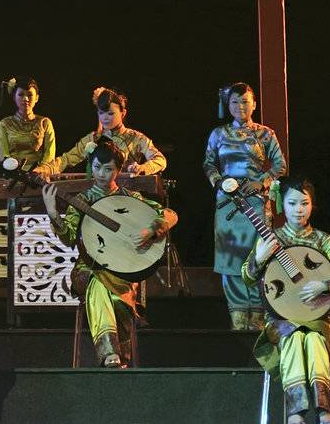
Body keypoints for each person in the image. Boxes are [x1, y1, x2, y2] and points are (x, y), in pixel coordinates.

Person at [42, 139, 176, 368]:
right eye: (96, 167)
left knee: (109, 291)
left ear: (118, 170)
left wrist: (151, 229)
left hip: (124, 270)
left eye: (108, 169)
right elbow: (69, 237)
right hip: (88, 268)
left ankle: (113, 356)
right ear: (90, 167)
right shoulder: (82, 201)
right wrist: (53, 213)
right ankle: (112, 354)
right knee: (97, 282)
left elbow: (170, 214)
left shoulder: (130, 198)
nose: (101, 174)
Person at [244, 175, 330, 424]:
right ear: (282, 204)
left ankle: (324, 411)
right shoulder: (270, 239)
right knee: (294, 337)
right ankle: (296, 413)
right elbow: (248, 278)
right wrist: (259, 258)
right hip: (280, 320)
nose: (298, 209)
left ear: (312, 205)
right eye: (292, 203)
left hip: (317, 317)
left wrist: (325, 285)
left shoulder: (325, 241)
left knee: (314, 338)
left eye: (304, 203)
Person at [203, 81, 288, 331]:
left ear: (254, 104)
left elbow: (279, 165)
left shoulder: (265, 134)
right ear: (227, 105)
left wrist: (261, 182)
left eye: (245, 101)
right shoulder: (218, 134)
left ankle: (258, 316)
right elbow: (208, 164)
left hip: (256, 200)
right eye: (235, 102)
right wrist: (219, 181)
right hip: (227, 202)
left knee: (258, 255)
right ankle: (238, 317)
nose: (240, 106)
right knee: (231, 258)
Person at [37, 87, 165, 178]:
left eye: (110, 113)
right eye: (101, 113)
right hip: (98, 197)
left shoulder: (136, 138)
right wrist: (45, 169)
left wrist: (142, 168)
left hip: (127, 195)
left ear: (123, 113)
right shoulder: (93, 138)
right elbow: (66, 159)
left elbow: (160, 160)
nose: (105, 118)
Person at [0, 77, 56, 172]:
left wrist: (40, 170)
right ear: (14, 98)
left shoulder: (45, 122)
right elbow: (4, 156)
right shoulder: (5, 124)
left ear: (37, 98)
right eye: (21, 95)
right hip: (14, 176)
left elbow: (49, 155)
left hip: (39, 176)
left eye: (30, 95)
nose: (26, 99)